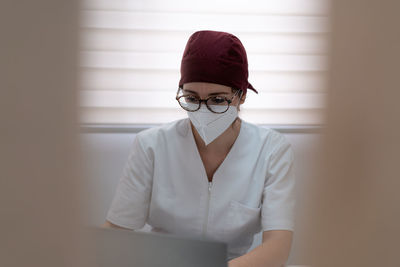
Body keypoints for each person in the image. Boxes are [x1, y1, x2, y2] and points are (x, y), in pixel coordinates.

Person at [103, 30, 296, 267]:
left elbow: (278, 247)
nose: (203, 111)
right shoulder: (151, 146)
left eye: (217, 100)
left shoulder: (271, 151)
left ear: (242, 96)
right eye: (192, 98)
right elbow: (115, 233)